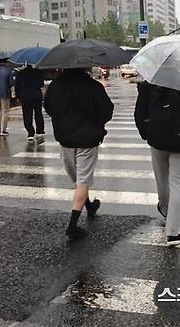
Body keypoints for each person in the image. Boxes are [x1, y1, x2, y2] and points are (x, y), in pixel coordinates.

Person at [44, 68, 114, 240]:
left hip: (65, 137)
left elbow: (48, 108)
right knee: (83, 180)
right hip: (88, 139)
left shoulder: (55, 85)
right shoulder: (93, 86)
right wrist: (96, 123)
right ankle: (73, 225)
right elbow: (107, 110)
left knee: (77, 178)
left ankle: (89, 206)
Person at [135, 81, 180, 246]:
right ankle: (173, 233)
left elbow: (139, 114)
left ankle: (165, 208)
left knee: (161, 179)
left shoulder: (149, 84)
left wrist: (146, 133)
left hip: (156, 139)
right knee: (178, 184)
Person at [14, 65, 45, 142]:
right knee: (38, 113)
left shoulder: (20, 73)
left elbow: (16, 86)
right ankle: (39, 131)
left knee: (27, 114)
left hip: (25, 96)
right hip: (36, 95)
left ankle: (30, 132)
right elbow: (41, 84)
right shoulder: (38, 72)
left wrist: (18, 96)